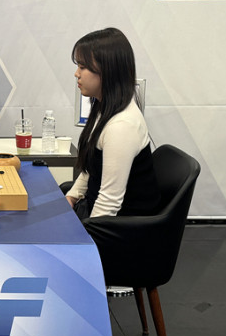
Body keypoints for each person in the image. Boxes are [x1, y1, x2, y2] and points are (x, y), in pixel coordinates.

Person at [65, 28, 160, 220]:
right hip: (97, 211)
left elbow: (108, 203)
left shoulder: (122, 125)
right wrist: (71, 197)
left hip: (120, 228)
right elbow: (92, 169)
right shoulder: (104, 108)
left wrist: (83, 236)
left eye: (83, 67)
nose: (77, 74)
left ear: (107, 71)